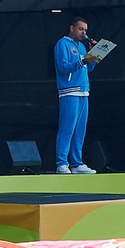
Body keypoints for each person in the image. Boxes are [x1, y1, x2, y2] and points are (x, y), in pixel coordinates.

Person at [53, 16, 103, 175]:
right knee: (67, 128)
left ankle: (77, 163)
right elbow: (63, 67)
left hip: (83, 90)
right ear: (72, 28)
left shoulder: (81, 46)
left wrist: (93, 54)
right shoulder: (62, 44)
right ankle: (61, 163)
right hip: (69, 90)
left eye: (85, 30)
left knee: (80, 129)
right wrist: (83, 61)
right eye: (81, 29)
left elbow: (89, 69)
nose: (83, 32)